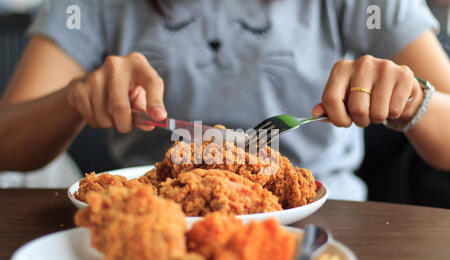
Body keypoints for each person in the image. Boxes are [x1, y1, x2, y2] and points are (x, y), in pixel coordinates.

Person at [0, 0, 449, 201]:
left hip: (327, 227)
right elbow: (7, 142)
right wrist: (75, 99)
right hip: (158, 213)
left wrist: (413, 100)